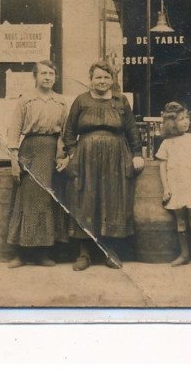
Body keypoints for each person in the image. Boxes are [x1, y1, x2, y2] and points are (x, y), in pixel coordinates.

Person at [59, 61, 145, 271]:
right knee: (84, 200)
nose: (102, 81)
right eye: (98, 77)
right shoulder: (81, 101)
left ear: (112, 79)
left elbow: (132, 130)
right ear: (90, 80)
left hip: (115, 157)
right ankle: (84, 253)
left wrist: (137, 154)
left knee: (112, 200)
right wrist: (72, 153)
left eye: (106, 77)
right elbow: (69, 132)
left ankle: (110, 252)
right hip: (85, 156)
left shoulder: (121, 100)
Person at [5, 60, 69, 268]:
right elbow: (13, 131)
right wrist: (14, 161)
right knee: (27, 200)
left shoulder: (60, 103)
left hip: (51, 152)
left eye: (51, 73)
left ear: (55, 77)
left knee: (47, 200)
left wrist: (61, 154)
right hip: (30, 150)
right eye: (43, 73)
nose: (48, 77)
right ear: (35, 77)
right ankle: (21, 254)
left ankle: (43, 253)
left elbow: (65, 133)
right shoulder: (25, 101)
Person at [156, 102, 191, 267]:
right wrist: (166, 187)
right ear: (172, 122)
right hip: (176, 185)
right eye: (181, 119)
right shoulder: (166, 143)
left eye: (187, 118)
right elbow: (162, 166)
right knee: (180, 221)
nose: (185, 121)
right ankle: (184, 254)